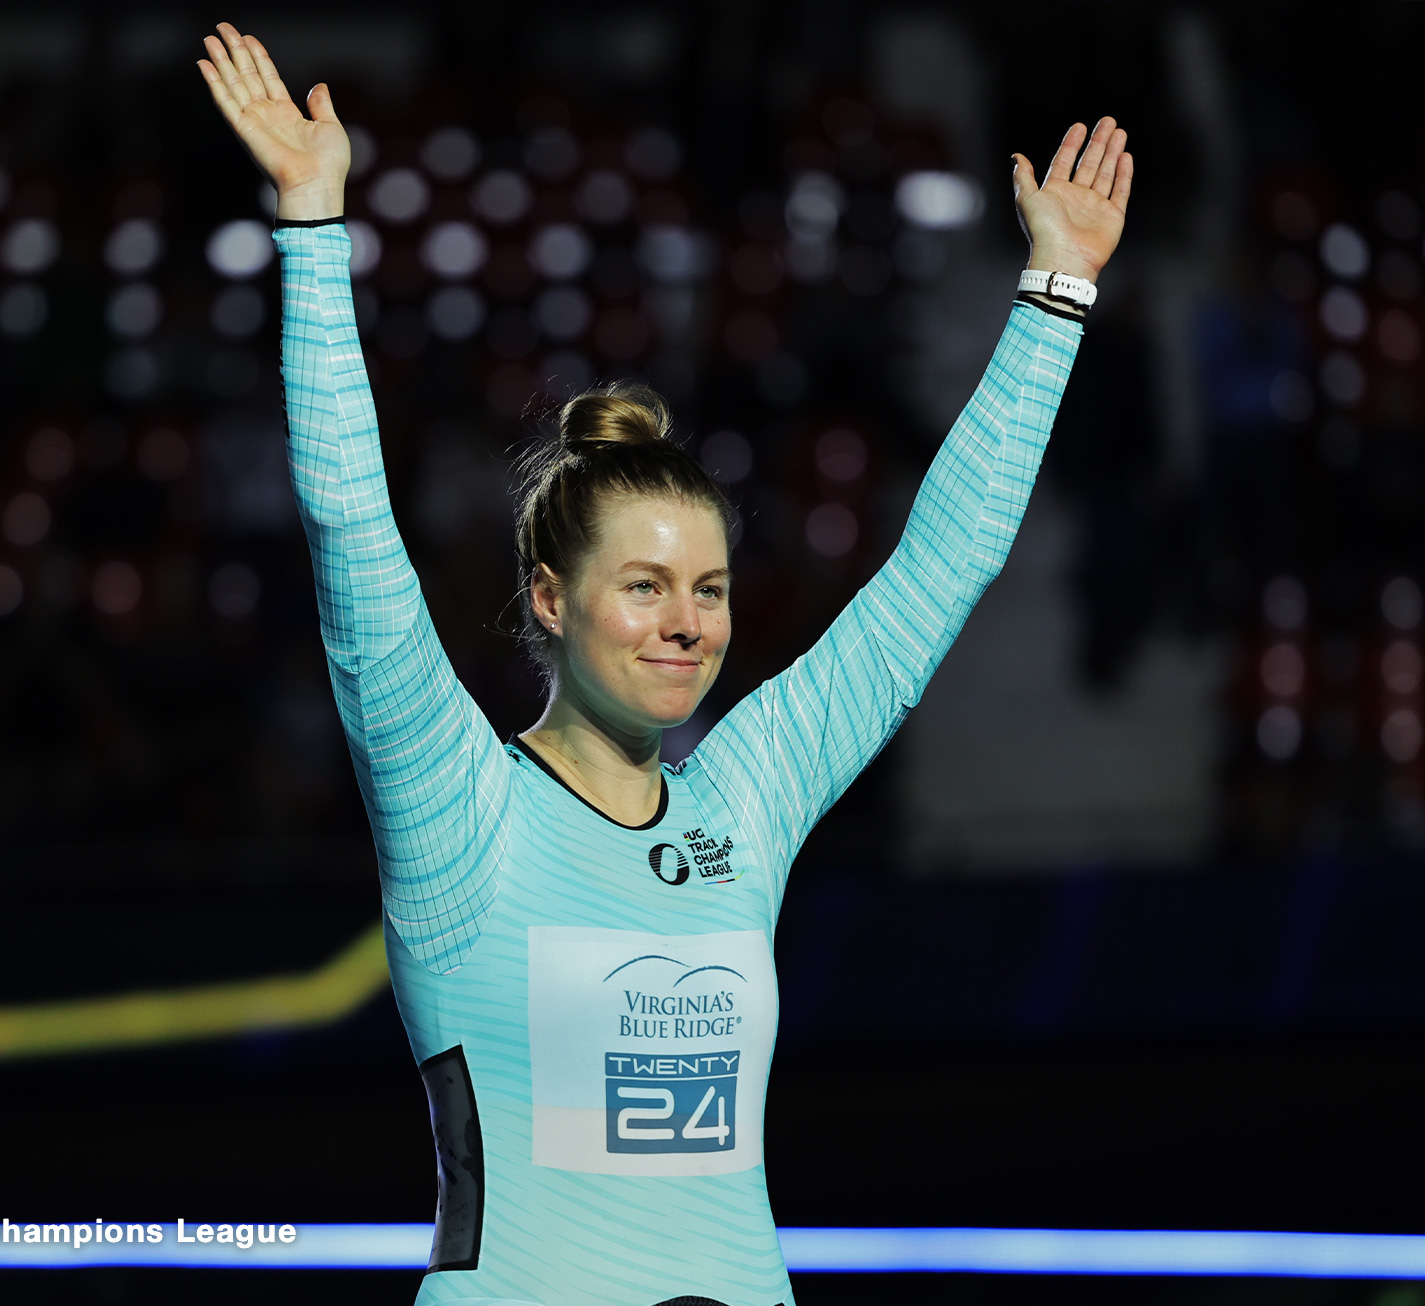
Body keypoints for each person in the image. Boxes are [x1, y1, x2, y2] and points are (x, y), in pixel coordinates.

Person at [198, 21, 1130, 1306]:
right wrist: (310, 222)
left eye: (708, 589)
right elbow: (351, 526)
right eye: (641, 588)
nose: (685, 622)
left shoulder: (746, 795)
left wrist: (1057, 294)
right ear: (547, 598)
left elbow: (934, 576)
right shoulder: (457, 807)